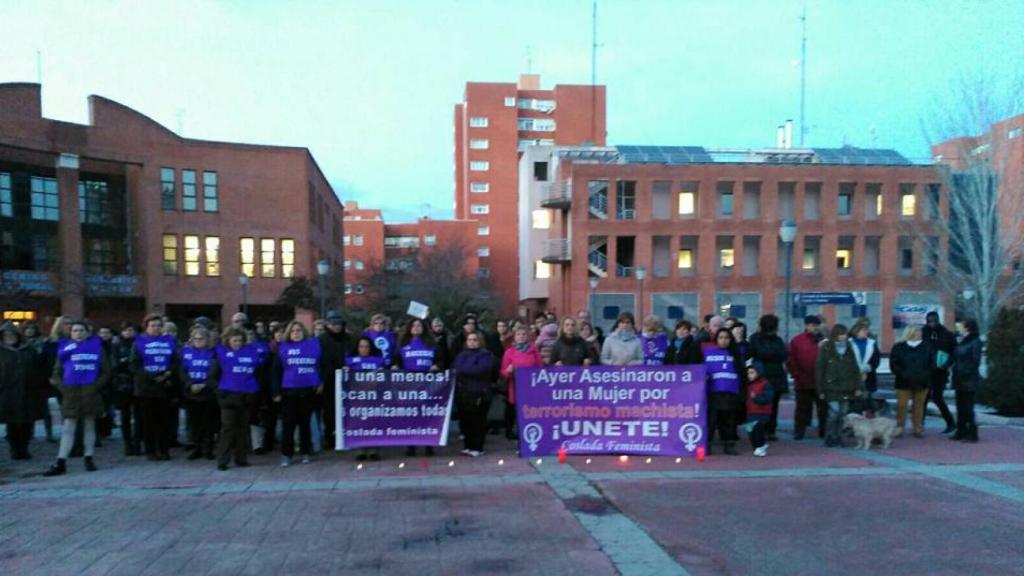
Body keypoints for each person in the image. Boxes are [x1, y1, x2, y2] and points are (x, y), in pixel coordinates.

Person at [44, 320, 110, 476]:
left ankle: (89, 457)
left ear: (87, 332)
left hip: (90, 391)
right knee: (68, 427)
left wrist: (95, 385)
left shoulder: (97, 348)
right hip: (71, 392)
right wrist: (63, 388)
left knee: (89, 424)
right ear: (70, 333)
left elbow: (106, 371)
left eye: (81, 330)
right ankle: (61, 461)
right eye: (75, 330)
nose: (78, 333)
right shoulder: (64, 348)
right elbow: (56, 372)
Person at [273, 320, 323, 466]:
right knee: (288, 426)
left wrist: (320, 381)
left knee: (305, 425)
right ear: (289, 333)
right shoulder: (283, 348)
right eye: (293, 331)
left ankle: (305, 452)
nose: (296, 333)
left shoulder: (313, 346)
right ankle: (286, 455)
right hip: (289, 392)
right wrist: (276, 392)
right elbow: (276, 371)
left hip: (307, 391)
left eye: (299, 330)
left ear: (304, 332)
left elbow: (319, 365)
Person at [214, 326, 261, 470]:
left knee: (243, 429)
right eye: (234, 340)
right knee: (228, 428)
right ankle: (222, 460)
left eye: (240, 340)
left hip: (246, 394)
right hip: (228, 395)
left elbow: (258, 365)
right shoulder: (221, 352)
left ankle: (241, 458)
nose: (237, 343)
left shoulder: (251, 351)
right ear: (228, 340)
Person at [132, 314, 178, 461]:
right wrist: (152, 376)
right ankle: (150, 451)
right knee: (148, 422)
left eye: (159, 325)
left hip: (164, 387)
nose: (156, 328)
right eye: (153, 325)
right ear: (146, 327)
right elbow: (135, 365)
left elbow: (176, 361)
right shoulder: (139, 342)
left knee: (164, 421)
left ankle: (164, 450)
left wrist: (167, 374)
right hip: (146, 388)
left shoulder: (169, 341)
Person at [395, 318, 443, 456]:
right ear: (409, 328)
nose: (416, 328)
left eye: (419, 325)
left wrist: (437, 366)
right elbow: (396, 359)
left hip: (428, 384)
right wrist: (395, 366)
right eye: (414, 325)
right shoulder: (403, 344)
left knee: (427, 415)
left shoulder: (432, 343)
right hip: (408, 384)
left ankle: (429, 444)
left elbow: (441, 359)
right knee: (411, 415)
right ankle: (411, 445)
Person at [1, 322, 45, 460]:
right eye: (6, 335)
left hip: (28, 392)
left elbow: (39, 368)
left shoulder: (28, 350)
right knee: (12, 423)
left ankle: (24, 449)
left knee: (27, 422)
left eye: (12, 334)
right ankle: (15, 449)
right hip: (7, 393)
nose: (9, 337)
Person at [815, 324, 864, 447]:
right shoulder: (826, 348)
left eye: (845, 334)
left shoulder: (849, 349)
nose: (844, 337)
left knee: (843, 414)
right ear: (836, 335)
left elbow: (855, 369)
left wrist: (858, 386)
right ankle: (830, 435)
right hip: (831, 387)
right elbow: (820, 369)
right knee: (834, 413)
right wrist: (820, 389)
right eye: (841, 334)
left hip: (847, 387)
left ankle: (838, 436)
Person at [453, 331, 498, 457]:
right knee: (465, 421)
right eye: (469, 340)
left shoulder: (486, 355)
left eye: (475, 339)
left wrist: (464, 370)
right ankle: (468, 446)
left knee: (478, 421)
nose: (472, 342)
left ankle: (478, 447)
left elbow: (481, 370)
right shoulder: (461, 355)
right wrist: (466, 370)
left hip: (480, 393)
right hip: (463, 393)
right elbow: (456, 368)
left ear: (480, 341)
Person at [179, 326, 219, 460]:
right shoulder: (185, 352)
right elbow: (182, 371)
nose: (198, 341)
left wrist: (205, 384)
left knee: (208, 423)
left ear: (207, 339)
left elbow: (217, 372)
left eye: (201, 338)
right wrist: (190, 384)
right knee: (194, 423)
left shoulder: (214, 353)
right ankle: (197, 448)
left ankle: (208, 449)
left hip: (208, 393)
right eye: (195, 338)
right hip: (191, 393)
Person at [702, 328, 743, 455]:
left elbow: (742, 374)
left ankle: (729, 444)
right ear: (716, 339)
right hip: (713, 391)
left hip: (730, 391)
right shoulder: (707, 353)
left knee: (728, 420)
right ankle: (707, 444)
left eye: (726, 337)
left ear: (731, 339)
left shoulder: (737, 353)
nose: (724, 340)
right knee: (711, 420)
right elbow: (702, 370)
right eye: (721, 337)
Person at [748, 315, 788, 441]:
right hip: (767, 374)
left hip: (769, 374)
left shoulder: (758, 339)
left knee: (771, 404)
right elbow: (781, 355)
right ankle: (765, 429)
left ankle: (769, 429)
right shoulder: (773, 340)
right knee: (764, 404)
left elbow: (783, 355)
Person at [500, 325, 543, 442]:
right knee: (515, 411)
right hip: (515, 386)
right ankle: (516, 435)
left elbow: (540, 367)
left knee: (529, 411)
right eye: (518, 334)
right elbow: (503, 371)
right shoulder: (509, 352)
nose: (521, 337)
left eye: (524, 334)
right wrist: (508, 371)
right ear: (514, 337)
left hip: (530, 387)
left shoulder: (534, 350)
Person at [346, 336, 385, 461]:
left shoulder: (378, 360)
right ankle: (360, 449)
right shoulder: (350, 361)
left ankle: (374, 449)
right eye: (361, 346)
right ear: (357, 347)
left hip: (374, 396)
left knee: (374, 422)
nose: (364, 349)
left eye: (366, 346)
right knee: (359, 422)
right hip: (357, 396)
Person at [889, 325, 932, 439]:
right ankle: (899, 427)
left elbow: (931, 363)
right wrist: (903, 374)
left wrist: (925, 374)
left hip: (922, 381)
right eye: (917, 331)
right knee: (902, 406)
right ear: (910, 333)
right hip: (903, 381)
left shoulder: (927, 347)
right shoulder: (899, 347)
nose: (919, 334)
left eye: (920, 332)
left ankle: (917, 428)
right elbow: (894, 364)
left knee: (919, 406)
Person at [788, 315, 826, 440]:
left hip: (822, 382)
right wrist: (796, 375)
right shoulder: (797, 341)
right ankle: (799, 431)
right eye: (812, 325)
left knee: (823, 409)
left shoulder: (825, 341)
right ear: (806, 326)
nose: (815, 328)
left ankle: (823, 431)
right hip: (802, 380)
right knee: (802, 409)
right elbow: (791, 359)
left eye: (817, 325)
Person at [318, 310, 348, 450]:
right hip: (328, 379)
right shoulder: (321, 340)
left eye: (338, 324)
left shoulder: (349, 339)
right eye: (333, 324)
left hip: (346, 379)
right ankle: (329, 437)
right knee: (329, 411)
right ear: (328, 325)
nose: (336, 326)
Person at [922, 311, 957, 434]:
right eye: (929, 321)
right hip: (925, 371)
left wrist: (947, 364)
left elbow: (954, 352)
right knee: (923, 397)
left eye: (934, 321)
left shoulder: (947, 334)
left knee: (937, 397)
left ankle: (951, 423)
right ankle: (919, 425)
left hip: (940, 371)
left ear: (938, 320)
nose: (932, 323)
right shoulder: (923, 333)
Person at [951, 318, 982, 443]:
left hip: (969, 379)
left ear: (967, 327)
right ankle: (961, 431)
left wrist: (965, 372)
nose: (958, 327)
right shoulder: (962, 341)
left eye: (961, 325)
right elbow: (956, 357)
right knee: (960, 406)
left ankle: (972, 433)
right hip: (959, 378)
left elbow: (975, 361)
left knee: (968, 407)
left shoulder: (975, 341)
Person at [112, 322, 140, 455]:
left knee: (139, 415)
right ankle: (127, 443)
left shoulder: (140, 343)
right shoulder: (117, 345)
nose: (128, 332)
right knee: (125, 416)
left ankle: (138, 442)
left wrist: (127, 362)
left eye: (131, 330)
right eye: (126, 330)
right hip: (122, 385)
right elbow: (115, 364)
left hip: (138, 383)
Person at [744, 360, 774, 457]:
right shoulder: (749, 385)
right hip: (751, 412)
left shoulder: (765, 384)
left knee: (758, 430)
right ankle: (758, 446)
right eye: (748, 373)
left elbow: (768, 398)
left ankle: (760, 446)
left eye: (752, 372)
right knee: (750, 431)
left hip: (761, 412)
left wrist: (756, 398)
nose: (750, 375)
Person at [849, 318, 880, 403]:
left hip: (868, 376)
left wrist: (868, 368)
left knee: (867, 402)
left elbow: (876, 359)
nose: (866, 332)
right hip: (851, 377)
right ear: (856, 331)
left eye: (866, 330)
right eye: (863, 330)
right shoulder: (849, 343)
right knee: (853, 403)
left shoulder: (872, 343)